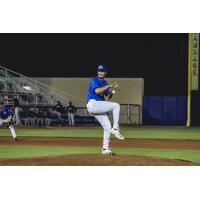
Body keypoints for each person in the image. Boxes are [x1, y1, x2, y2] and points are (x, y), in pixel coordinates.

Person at [86, 65, 124, 155]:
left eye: (102, 71)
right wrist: (110, 85)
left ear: (105, 72)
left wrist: (112, 91)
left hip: (99, 107)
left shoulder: (105, 82)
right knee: (116, 106)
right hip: (93, 104)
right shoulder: (94, 80)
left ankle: (105, 149)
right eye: (99, 70)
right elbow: (97, 91)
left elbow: (108, 96)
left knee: (107, 127)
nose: (100, 72)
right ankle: (115, 128)